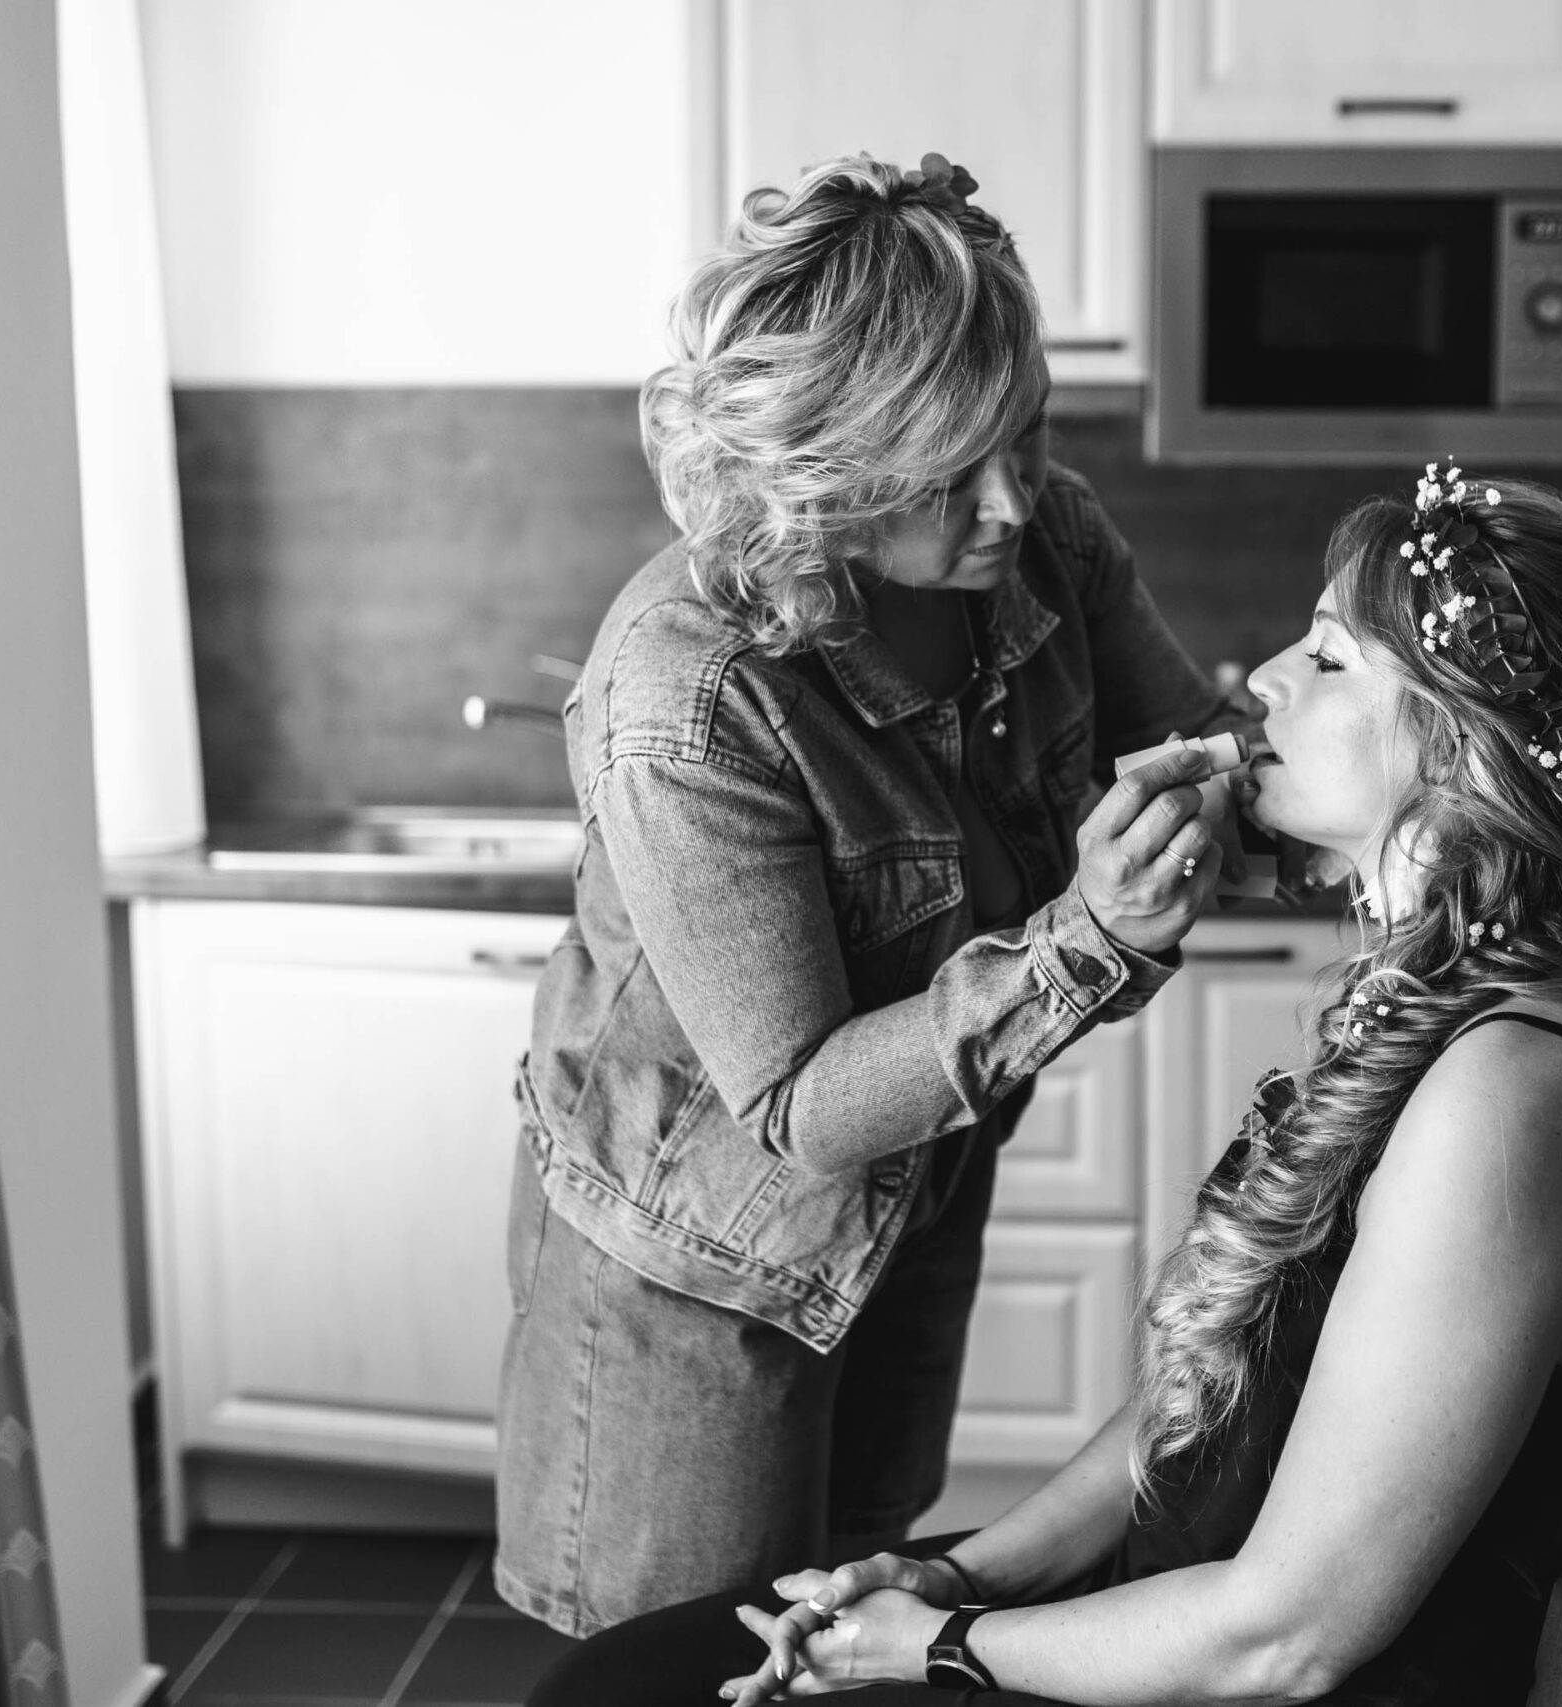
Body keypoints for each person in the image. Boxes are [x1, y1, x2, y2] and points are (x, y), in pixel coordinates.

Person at [523, 469, 1562, 1706]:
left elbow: (1287, 1640)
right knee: (629, 1681)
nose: (1263, 682)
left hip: (1264, 1671)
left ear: (1462, 746)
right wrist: (959, 1577)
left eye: (1329, 658)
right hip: (1188, 1608)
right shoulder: (1453, 998)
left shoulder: (1500, 1111)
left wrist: (933, 1646)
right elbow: (1208, 1400)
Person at [493, 150, 1247, 1636]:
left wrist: (1372, 763)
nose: (1011, 500)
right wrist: (1087, 938)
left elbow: (1192, 745)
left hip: (911, 1213)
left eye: (1025, 431)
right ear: (822, 473)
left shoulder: (1046, 545)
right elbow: (800, 1106)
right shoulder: (690, 696)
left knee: (850, 1629)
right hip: (693, 1275)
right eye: (949, 469)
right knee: (683, 1664)